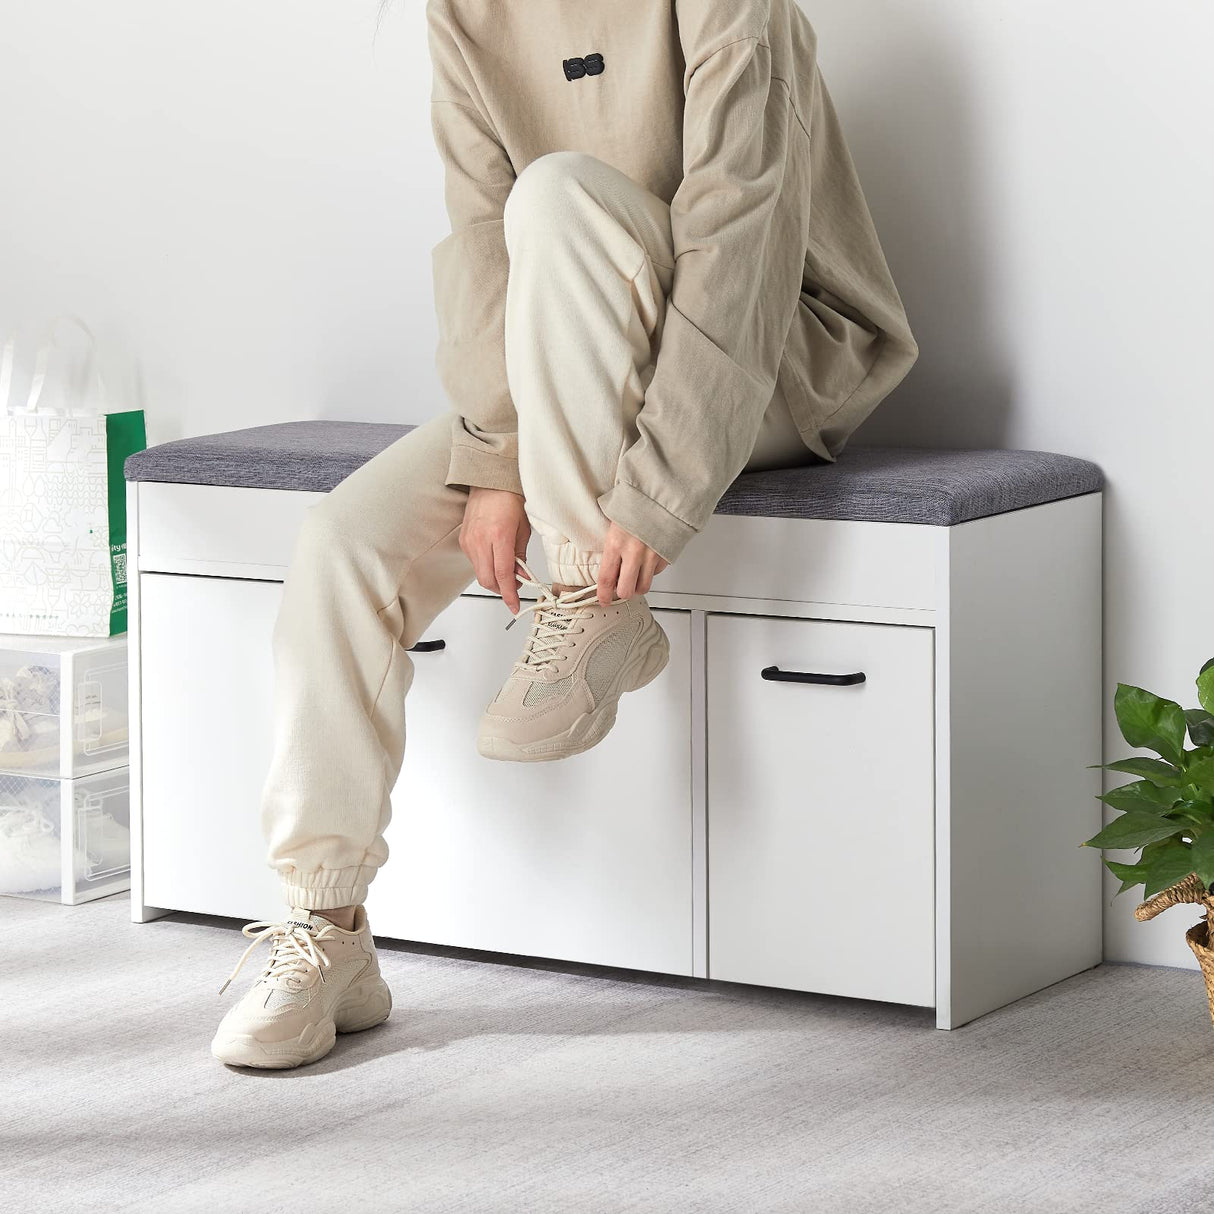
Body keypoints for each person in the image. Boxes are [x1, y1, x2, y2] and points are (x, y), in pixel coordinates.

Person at [210, 0, 919, 1069]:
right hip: (579, 352)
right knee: (342, 539)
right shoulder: (463, 14)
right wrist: (495, 460)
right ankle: (328, 926)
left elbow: (739, 239)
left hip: (775, 358)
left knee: (559, 194)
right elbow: (483, 243)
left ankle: (593, 600)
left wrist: (650, 496)